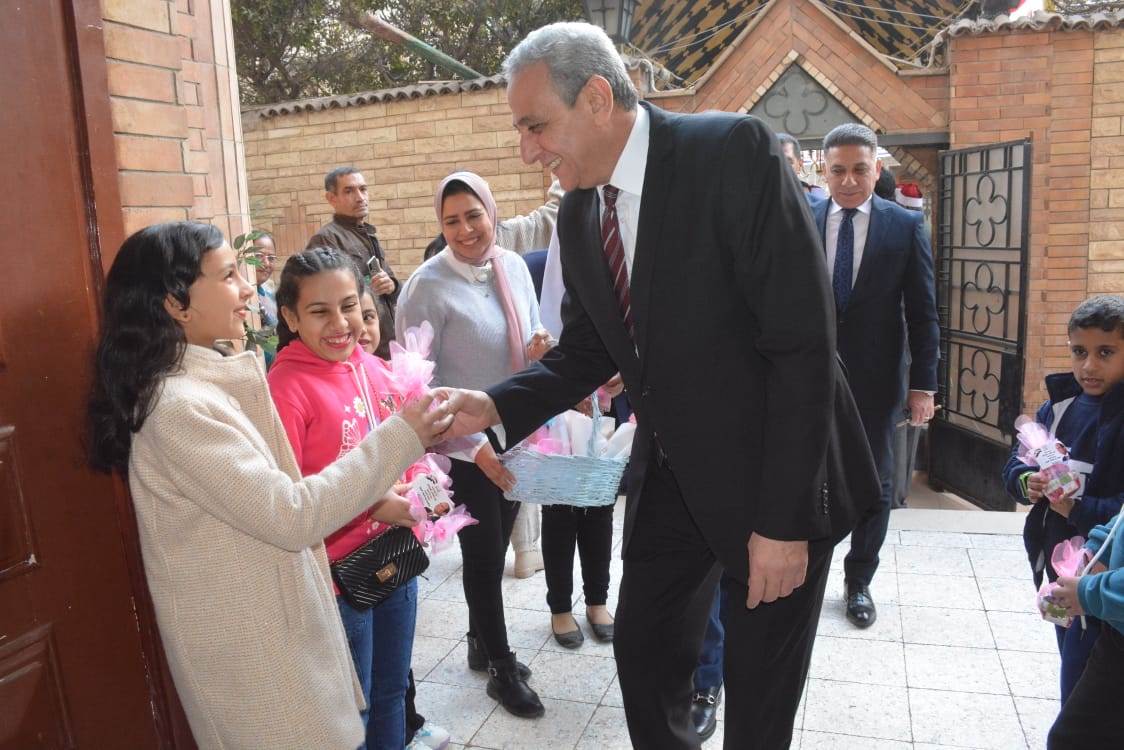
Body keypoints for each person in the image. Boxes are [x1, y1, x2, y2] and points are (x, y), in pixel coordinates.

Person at [442, 22, 877, 749]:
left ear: (597, 99)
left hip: (774, 471)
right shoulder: (580, 211)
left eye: (535, 126)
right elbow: (586, 351)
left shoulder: (730, 153)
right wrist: (491, 404)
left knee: (757, 705)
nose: (528, 151)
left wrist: (783, 523)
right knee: (644, 655)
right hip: (673, 474)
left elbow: (803, 346)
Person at [85, 222, 454, 749]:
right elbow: (292, 513)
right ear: (176, 303)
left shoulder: (205, 385)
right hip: (250, 644)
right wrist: (402, 436)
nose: (245, 287)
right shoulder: (179, 409)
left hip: (275, 622)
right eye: (228, 276)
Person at [396, 171, 550, 719]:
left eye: (473, 215)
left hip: (514, 435)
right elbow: (416, 383)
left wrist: (540, 348)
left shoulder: (512, 267)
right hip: (461, 447)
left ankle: (479, 643)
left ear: (491, 211)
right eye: (451, 221)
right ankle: (502, 668)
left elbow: (530, 337)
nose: (465, 230)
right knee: (483, 558)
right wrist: (475, 444)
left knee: (500, 537)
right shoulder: (426, 285)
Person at [810, 124, 939, 630]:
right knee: (808, 476)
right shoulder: (803, 219)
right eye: (838, 170)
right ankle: (808, 569)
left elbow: (923, 314)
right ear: (824, 171)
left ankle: (859, 579)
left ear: (876, 169)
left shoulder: (903, 227)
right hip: (810, 379)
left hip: (877, 379)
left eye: (859, 169)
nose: (848, 180)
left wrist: (923, 385)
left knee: (876, 483)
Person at [1004, 295, 1124, 704]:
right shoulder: (1057, 409)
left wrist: (1077, 510)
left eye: (1105, 353)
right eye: (1079, 352)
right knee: (1069, 655)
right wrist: (1028, 483)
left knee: (1092, 676)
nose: (1088, 365)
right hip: (1060, 563)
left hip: (1107, 575)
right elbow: (1017, 462)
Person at [307, 167, 399, 358]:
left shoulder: (368, 235)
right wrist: (368, 288)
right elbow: (326, 299)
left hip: (384, 346)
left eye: (363, 189)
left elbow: (392, 284)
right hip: (357, 349)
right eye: (349, 191)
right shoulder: (326, 239)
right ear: (331, 198)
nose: (360, 197)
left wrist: (391, 285)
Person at [776, 132, 826, 201]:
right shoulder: (761, 198)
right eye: (774, 162)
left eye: (788, 162)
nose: (780, 167)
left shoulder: (815, 195)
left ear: (800, 164)